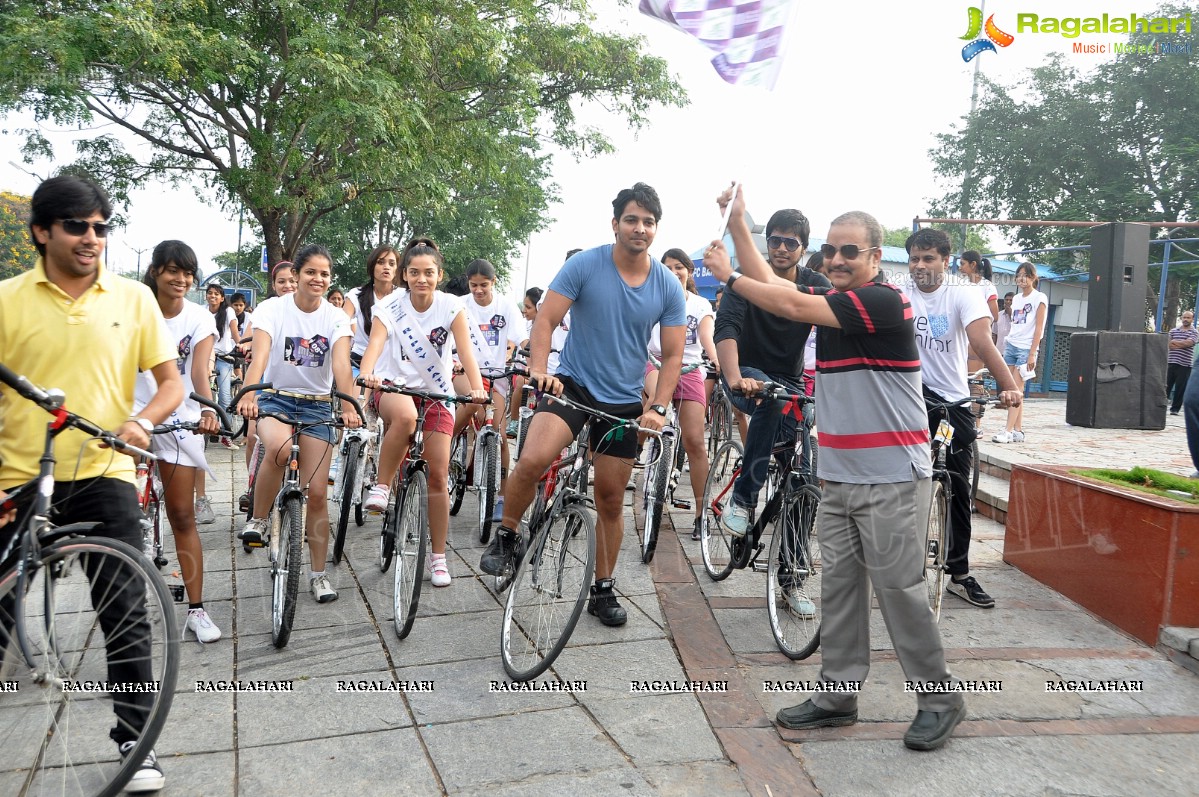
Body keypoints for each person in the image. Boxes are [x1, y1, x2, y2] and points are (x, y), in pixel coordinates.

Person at [704, 184, 968, 752]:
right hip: (842, 475)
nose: (838, 259)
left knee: (899, 590)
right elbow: (775, 285)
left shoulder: (882, 302)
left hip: (894, 475)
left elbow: (788, 303)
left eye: (852, 251)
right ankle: (837, 694)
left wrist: (727, 276)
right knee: (841, 589)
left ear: (876, 258)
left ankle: (939, 698)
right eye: (832, 250)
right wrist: (741, 224)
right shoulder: (833, 299)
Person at [0, 174, 183, 791]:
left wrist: (142, 421)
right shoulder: (5, 300)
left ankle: (136, 739)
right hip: (18, 476)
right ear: (41, 232)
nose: (91, 237)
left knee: (126, 607)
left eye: (101, 227)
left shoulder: (133, 299)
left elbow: (171, 383)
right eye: (77, 225)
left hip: (105, 469)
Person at [479, 183, 686, 626]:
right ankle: (508, 534)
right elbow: (547, 319)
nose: (640, 228)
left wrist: (660, 408)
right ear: (615, 224)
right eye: (632, 219)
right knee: (532, 458)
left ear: (656, 229)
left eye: (649, 222)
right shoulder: (585, 264)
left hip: (626, 403)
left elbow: (672, 356)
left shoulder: (668, 286)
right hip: (571, 387)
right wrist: (539, 369)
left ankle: (603, 588)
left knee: (610, 500)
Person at [903, 229, 1022, 609]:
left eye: (929, 258)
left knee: (956, 485)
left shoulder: (962, 293)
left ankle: (959, 572)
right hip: (909, 396)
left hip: (952, 400)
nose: (920, 266)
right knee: (898, 479)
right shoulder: (900, 293)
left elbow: (981, 341)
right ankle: (896, 564)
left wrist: (1007, 384)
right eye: (915, 258)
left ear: (946, 261)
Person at [358, 238, 487, 587]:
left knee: (438, 475)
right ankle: (383, 486)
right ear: (404, 275)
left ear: (439, 275)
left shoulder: (450, 307)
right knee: (403, 419)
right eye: (414, 272)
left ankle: (439, 557)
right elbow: (376, 344)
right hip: (395, 388)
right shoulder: (390, 306)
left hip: (435, 393)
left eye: (429, 273)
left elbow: (465, 351)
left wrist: (477, 387)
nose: (421, 279)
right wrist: (367, 371)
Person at [236, 244, 361, 603]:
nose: (317, 279)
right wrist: (248, 393)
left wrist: (349, 402)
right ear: (297, 276)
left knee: (318, 494)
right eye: (310, 272)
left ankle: (319, 575)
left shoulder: (336, 317)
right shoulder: (272, 309)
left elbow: (340, 364)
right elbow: (259, 357)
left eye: (324, 274)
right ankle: (259, 519)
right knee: (275, 449)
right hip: (275, 398)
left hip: (318, 406)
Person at [713, 207, 830, 544]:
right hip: (746, 374)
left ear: (803, 249)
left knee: (803, 477)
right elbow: (727, 328)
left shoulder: (815, 284)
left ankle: (791, 577)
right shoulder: (743, 277)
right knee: (768, 396)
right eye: (775, 240)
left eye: (790, 243)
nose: (781, 248)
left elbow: (833, 334)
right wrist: (734, 377)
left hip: (790, 382)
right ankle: (743, 498)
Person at [137, 240, 224, 642]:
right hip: (132, 417)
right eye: (173, 271)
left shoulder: (199, 317)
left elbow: (200, 372)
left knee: (183, 515)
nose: (181, 280)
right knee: (121, 515)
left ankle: (197, 608)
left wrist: (208, 411)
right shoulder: (135, 307)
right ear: (155, 271)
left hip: (180, 419)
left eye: (188, 273)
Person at [645, 248, 719, 541]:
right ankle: (641, 452)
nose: (674, 272)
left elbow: (707, 336)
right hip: (654, 365)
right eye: (668, 267)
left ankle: (702, 516)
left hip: (689, 369)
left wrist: (715, 358)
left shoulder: (701, 304)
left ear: (688, 271)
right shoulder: (651, 297)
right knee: (652, 407)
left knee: (695, 442)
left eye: (679, 267)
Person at [454, 258, 524, 523]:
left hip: (496, 376)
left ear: (493, 282)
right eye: (474, 285)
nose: (478, 290)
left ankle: (503, 498)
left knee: (501, 435)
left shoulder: (505, 306)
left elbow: (521, 337)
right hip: (464, 372)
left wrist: (528, 354)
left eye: (484, 285)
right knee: (473, 401)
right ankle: (445, 442)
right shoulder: (460, 305)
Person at [237, 261, 299, 514]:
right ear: (273, 285)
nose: (288, 285)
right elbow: (247, 338)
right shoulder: (266, 308)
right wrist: (246, 345)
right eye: (281, 281)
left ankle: (298, 498)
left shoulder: (312, 308)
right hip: (264, 380)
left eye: (292, 280)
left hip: (300, 384)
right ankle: (253, 486)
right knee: (253, 434)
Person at [994, 262, 1047, 443]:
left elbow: (1039, 328)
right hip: (1011, 345)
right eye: (1018, 275)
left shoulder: (1040, 298)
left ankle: (1007, 431)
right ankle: (1018, 430)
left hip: (1026, 348)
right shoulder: (1016, 299)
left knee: (1015, 389)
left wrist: (1032, 353)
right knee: (1015, 390)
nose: (1021, 279)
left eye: (1025, 275)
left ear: (1033, 277)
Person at [343, 245, 399, 373]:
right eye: (381, 262)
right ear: (372, 266)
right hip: (359, 361)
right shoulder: (356, 295)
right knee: (355, 393)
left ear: (397, 269)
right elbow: (342, 323)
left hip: (393, 365)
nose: (386, 267)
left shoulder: (404, 296)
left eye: (391, 264)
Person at [205, 282, 240, 449]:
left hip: (225, 359)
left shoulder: (228, 311)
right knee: (204, 395)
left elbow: (234, 334)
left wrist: (243, 347)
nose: (212, 296)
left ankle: (226, 435)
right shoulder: (202, 312)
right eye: (210, 293)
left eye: (216, 294)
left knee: (225, 398)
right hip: (205, 358)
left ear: (222, 297)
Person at [507, 286, 544, 436]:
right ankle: (514, 422)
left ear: (539, 308)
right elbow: (513, 341)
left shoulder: (548, 326)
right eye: (524, 306)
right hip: (522, 368)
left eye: (528, 307)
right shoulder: (523, 324)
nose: (524, 311)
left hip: (539, 370)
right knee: (521, 382)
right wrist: (508, 353)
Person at [1167, 310, 1197, 416]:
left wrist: (1175, 343)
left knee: (1180, 388)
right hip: (1171, 361)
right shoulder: (1174, 330)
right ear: (1181, 318)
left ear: (1192, 319)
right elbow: (1167, 343)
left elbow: (1189, 343)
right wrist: (1182, 344)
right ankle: (1160, 406)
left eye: (1188, 318)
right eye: (1184, 317)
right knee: (1166, 385)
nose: (1185, 319)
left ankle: (1175, 409)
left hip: (1185, 364)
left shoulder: (1194, 332)